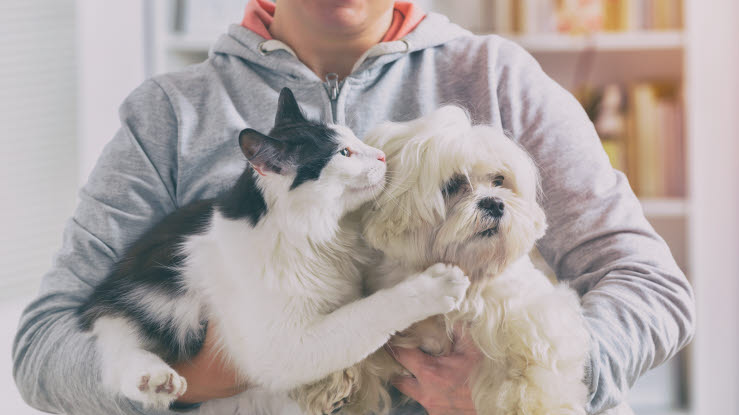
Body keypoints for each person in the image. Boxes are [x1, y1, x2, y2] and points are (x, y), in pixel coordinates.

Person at [12, 1, 695, 414]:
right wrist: (200, 373)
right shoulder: (170, 115)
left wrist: (518, 387)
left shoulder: (498, 80)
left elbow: (654, 287)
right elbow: (44, 349)